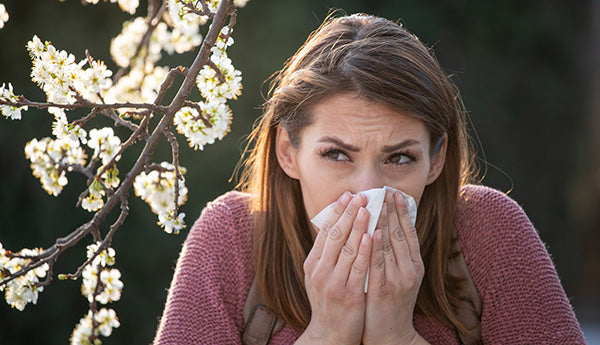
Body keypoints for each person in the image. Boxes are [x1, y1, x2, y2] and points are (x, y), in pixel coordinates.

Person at [153, 13, 586, 344]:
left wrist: (398, 336)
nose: (367, 190)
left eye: (399, 158)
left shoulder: (485, 229)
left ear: (436, 161)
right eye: (337, 154)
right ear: (288, 152)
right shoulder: (232, 239)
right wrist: (326, 333)